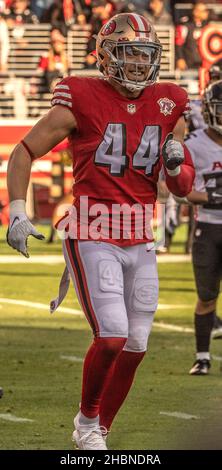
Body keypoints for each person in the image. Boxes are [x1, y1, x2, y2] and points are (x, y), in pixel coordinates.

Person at [7, 12, 194, 450]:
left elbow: (183, 186)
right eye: (128, 53)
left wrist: (174, 162)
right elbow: (24, 149)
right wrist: (18, 209)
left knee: (137, 343)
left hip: (140, 236)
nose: (136, 64)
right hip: (92, 229)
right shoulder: (82, 96)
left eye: (144, 55)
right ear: (106, 55)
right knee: (111, 334)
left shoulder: (169, 101)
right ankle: (86, 421)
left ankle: (97, 430)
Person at [185, 80, 222, 375]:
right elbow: (178, 190)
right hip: (208, 229)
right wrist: (211, 196)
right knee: (207, 297)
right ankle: (202, 356)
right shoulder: (194, 145)